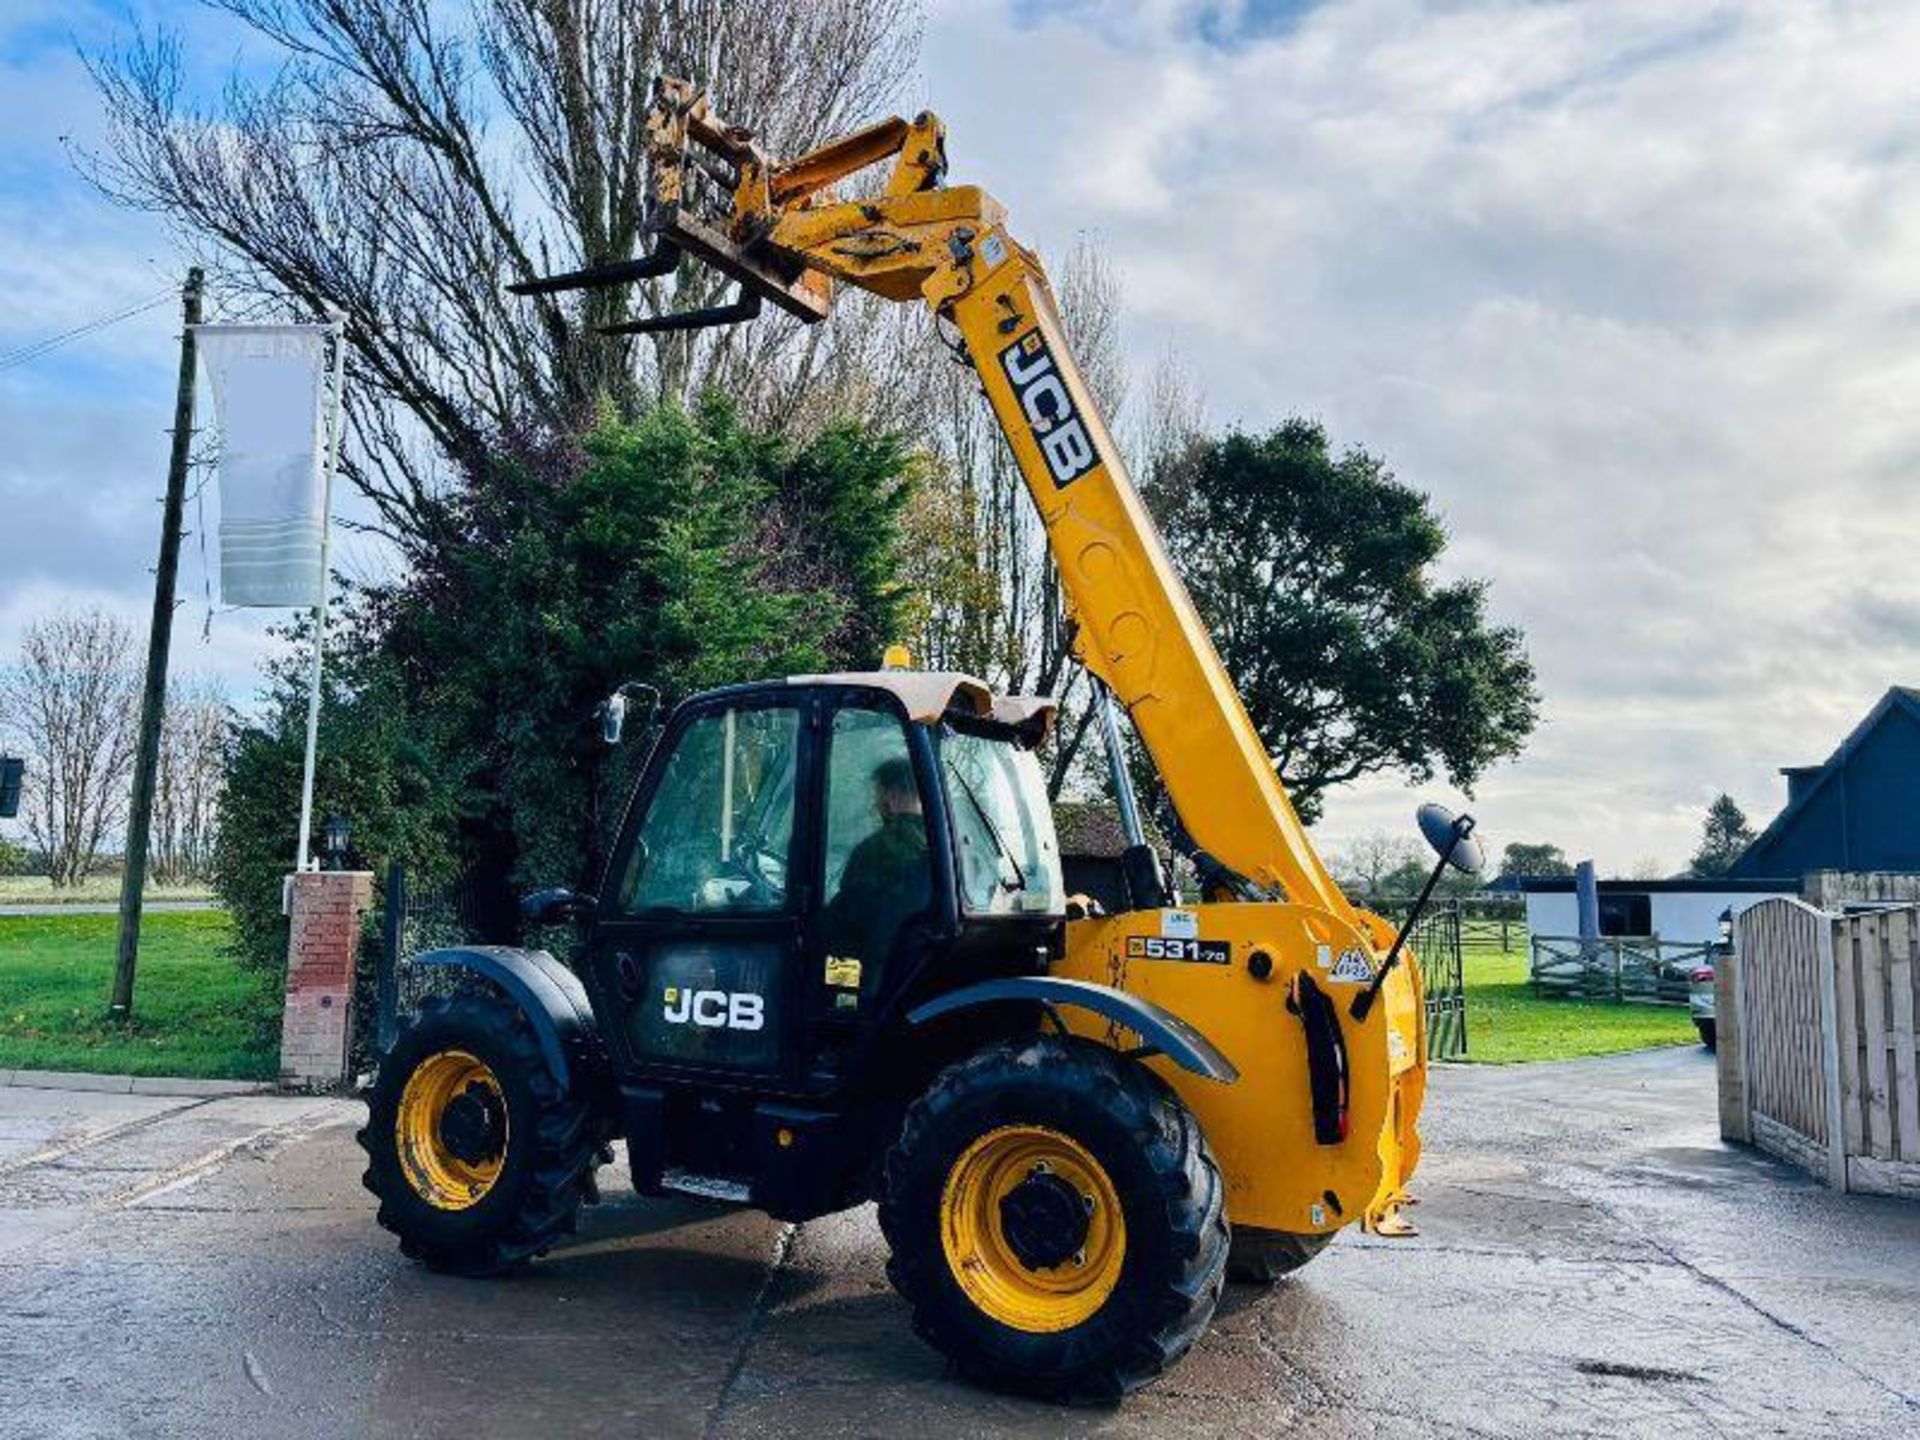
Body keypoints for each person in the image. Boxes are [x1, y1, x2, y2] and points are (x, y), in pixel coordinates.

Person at [822, 755, 932, 988]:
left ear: (890, 798)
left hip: (870, 975)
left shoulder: (874, 850)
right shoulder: (942, 848)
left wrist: (842, 992)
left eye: (877, 795)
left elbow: (846, 923)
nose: (875, 804)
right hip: (908, 970)